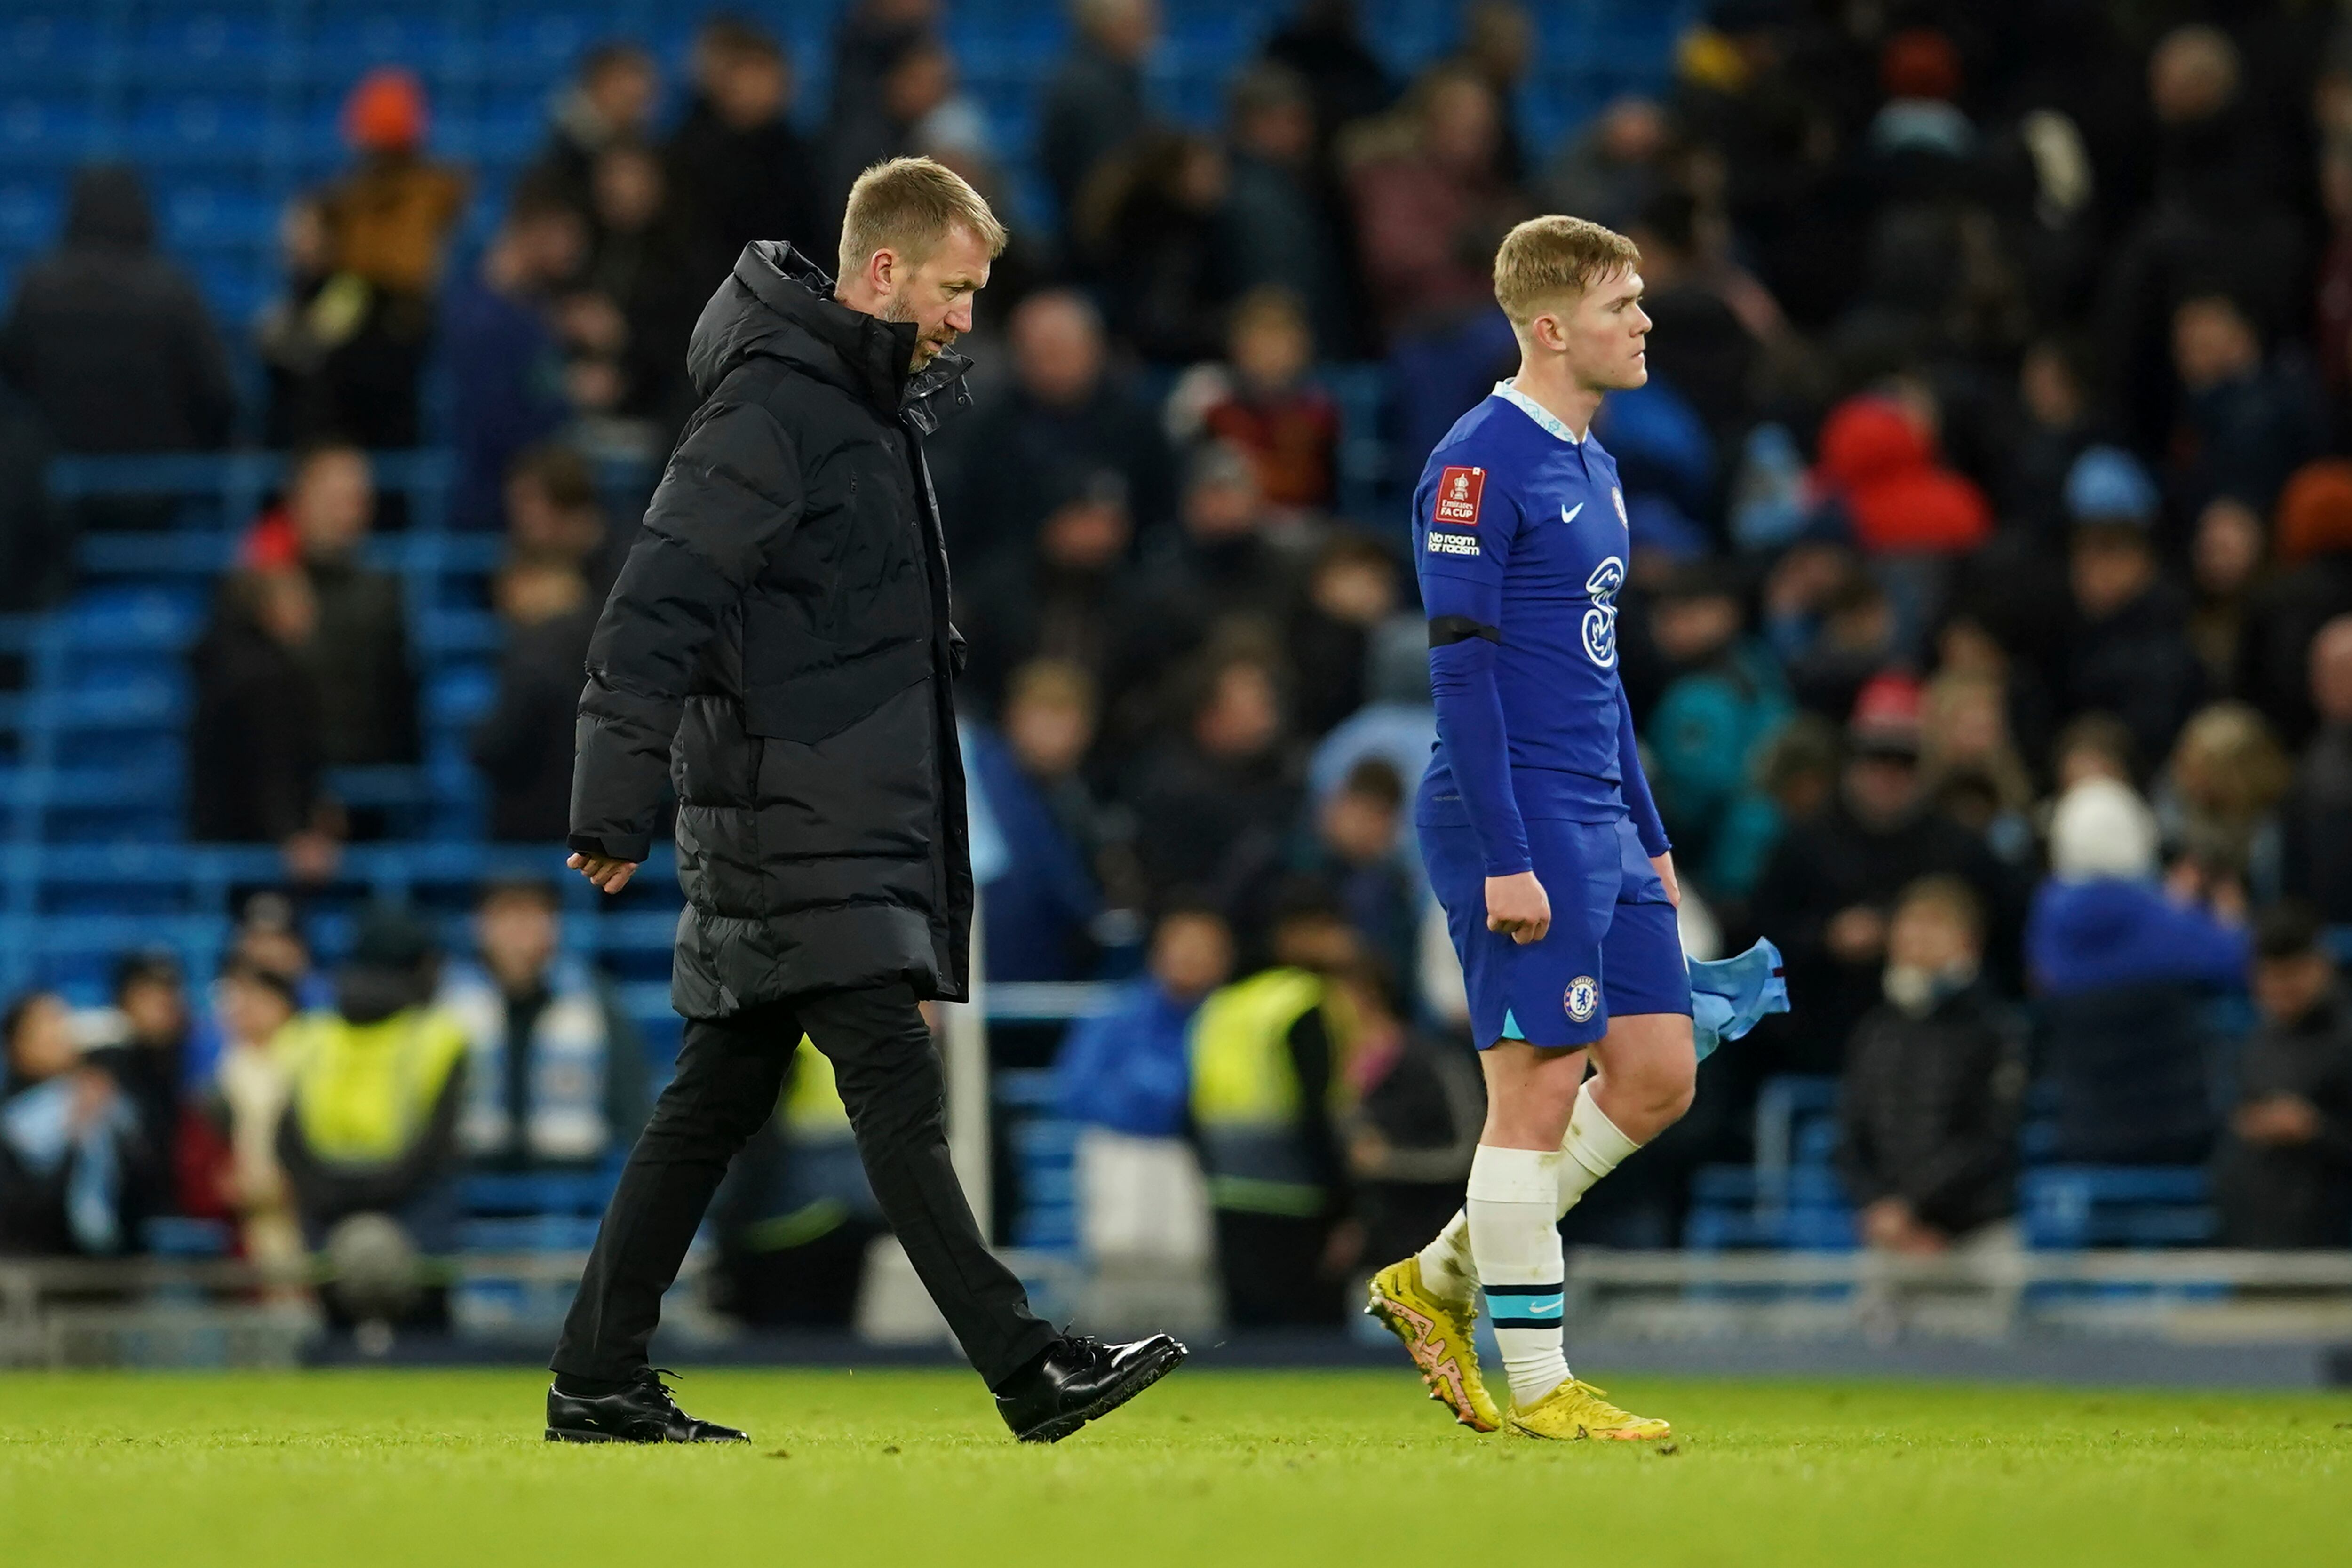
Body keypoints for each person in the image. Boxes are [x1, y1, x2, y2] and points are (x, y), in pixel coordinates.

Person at [555, 157, 1183, 1445]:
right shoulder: (778, 407)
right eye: (955, 290)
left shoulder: (854, 403)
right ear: (883, 271)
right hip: (800, 812)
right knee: (894, 1091)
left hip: (814, 802)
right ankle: (1024, 1365)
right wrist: (610, 804)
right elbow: (657, 598)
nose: (966, 319)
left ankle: (599, 1375)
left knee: (713, 1102)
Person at [1362, 216, 1690, 1443]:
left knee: (1657, 1075)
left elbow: (1596, 675)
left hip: (1602, 810)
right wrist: (1509, 854)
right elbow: (1463, 676)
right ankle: (1545, 1381)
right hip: (1516, 813)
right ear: (1551, 327)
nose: (1643, 323)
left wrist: (1649, 833)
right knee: (1536, 1094)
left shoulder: (1596, 464)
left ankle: (1436, 1276)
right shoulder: (1476, 462)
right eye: (1623, 304)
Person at [2025, 776, 2249, 1164]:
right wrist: (2213, 917)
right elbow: (2239, 960)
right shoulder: (2160, 918)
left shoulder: (2047, 914)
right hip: (2176, 1131)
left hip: (2081, 1131)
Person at [275, 907, 469, 1330]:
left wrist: (338, 1202)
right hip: (418, 1224)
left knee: (331, 1364)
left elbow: (287, 1140)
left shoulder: (308, 1036)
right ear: (421, 967)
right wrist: (382, 1198)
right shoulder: (441, 1036)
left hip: (327, 1221)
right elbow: (436, 1147)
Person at [1190, 891, 1364, 1326]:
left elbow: (1193, 1104)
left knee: (1248, 1343)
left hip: (1230, 1194)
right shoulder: (1303, 1001)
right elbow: (1317, 1110)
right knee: (1310, 1347)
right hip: (1300, 1200)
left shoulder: (1226, 1002)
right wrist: (1345, 1203)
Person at [1836, 877, 2020, 1256]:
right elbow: (1852, 1138)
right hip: (1890, 1238)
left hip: (1975, 1237)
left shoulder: (1995, 1028)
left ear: (1968, 941)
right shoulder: (1875, 1032)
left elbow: (1991, 1139)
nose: (1918, 937)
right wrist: (1881, 1207)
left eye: (1934, 925)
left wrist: (1913, 1207)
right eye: (1910, 924)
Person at [0, 163, 232, 457]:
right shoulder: (172, 290)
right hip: (157, 478)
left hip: (55, 473)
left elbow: (13, 379)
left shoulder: (37, 287)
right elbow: (216, 393)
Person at [307, 69, 470, 448]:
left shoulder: (429, 193)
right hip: (358, 320)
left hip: (401, 329)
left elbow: (409, 269)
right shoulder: (348, 198)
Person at [437, 880, 646, 1174]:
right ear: (481, 927)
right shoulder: (450, 1002)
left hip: (570, 1186)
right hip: (471, 1181)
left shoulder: (594, 998)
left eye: (532, 917)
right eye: (505, 917)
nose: (518, 934)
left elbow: (630, 1099)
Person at [2211, 902, 2352, 1248]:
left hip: (2333, 1245)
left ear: (2321, 965)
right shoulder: (2257, 1043)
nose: (2281, 989)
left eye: (2292, 974)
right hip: (2257, 1240)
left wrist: (2315, 1129)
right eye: (2271, 976)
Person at [0, 992, 159, 1257]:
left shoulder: (103, 1096)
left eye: (62, 1020)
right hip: (39, 1273)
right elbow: (23, 1210)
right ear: (18, 1043)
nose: (60, 1033)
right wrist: (73, 1136)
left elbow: (145, 1186)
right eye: (46, 1025)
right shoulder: (12, 1120)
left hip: (113, 1270)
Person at [472, 554, 596, 844]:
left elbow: (498, 743)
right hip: (606, 825)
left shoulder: (534, 652)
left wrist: (474, 743)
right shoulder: (613, 646)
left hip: (536, 828)